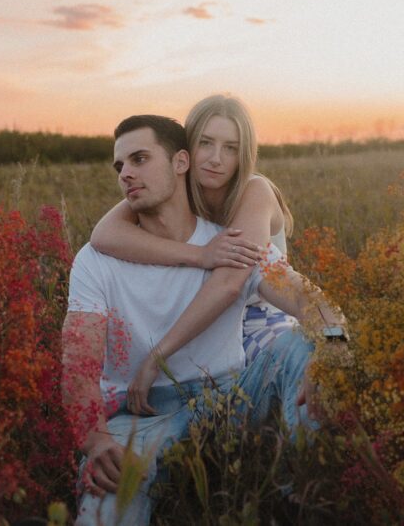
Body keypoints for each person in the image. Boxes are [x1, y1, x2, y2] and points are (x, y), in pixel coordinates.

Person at [63, 114, 347, 526]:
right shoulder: (96, 260)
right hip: (144, 413)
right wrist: (95, 438)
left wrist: (334, 351)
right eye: (119, 166)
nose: (126, 173)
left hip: (229, 400)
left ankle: (302, 497)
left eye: (140, 159)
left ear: (181, 162)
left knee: (301, 348)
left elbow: (314, 303)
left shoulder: (231, 242)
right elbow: (78, 360)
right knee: (106, 502)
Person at [89, 95, 303, 415]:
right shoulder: (176, 184)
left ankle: (296, 456)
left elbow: (230, 284)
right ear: (186, 151)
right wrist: (199, 254)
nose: (216, 159)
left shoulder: (253, 191)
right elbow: (104, 234)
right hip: (204, 324)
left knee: (288, 384)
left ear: (243, 155)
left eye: (230, 148)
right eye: (205, 143)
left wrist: (157, 358)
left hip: (256, 319)